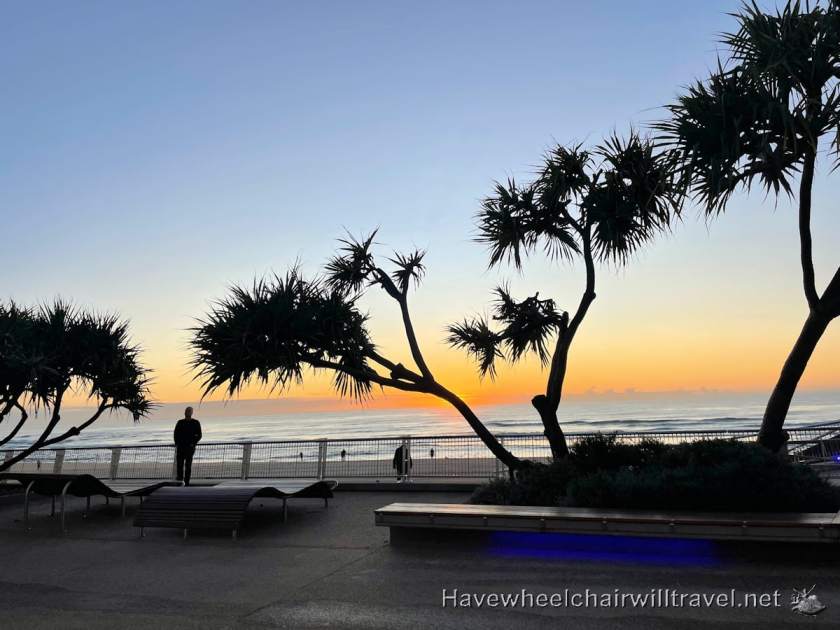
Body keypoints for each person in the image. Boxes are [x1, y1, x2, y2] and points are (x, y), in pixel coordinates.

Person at [173, 406, 202, 485]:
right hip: (181, 447)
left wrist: (193, 443)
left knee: (188, 466)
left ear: (192, 413)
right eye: (186, 411)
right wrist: (177, 443)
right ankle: (180, 481)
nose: (187, 412)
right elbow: (175, 433)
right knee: (179, 465)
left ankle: (187, 482)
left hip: (190, 448)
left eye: (189, 411)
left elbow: (199, 435)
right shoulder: (180, 422)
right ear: (184, 412)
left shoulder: (196, 422)